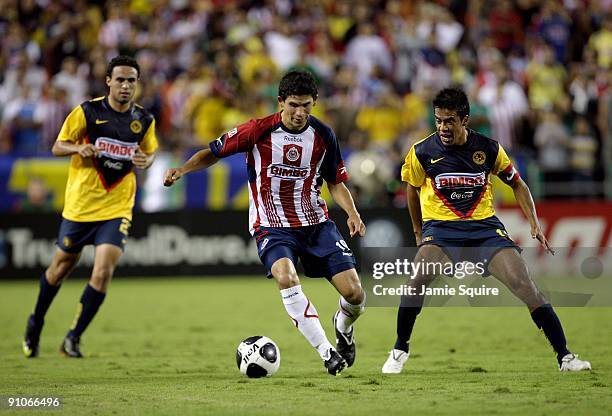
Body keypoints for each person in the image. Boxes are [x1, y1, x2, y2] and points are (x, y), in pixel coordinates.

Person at [164, 70, 366, 376]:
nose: (300, 113)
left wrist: (352, 212)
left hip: (315, 223)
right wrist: (182, 170)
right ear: (281, 101)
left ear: (315, 103)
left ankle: (344, 329)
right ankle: (327, 353)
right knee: (286, 277)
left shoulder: (324, 135)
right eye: (294, 105)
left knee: (354, 294)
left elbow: (335, 181)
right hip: (271, 223)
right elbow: (213, 152)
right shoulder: (257, 130)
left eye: (307, 105)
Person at [382, 88, 591, 374]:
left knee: (525, 286)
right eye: (438, 120)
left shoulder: (489, 149)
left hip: (484, 229)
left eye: (449, 121)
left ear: (465, 120)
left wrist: (533, 221)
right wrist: (419, 231)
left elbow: (517, 183)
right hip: (441, 230)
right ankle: (399, 348)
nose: (443, 128)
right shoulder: (422, 151)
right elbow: (411, 188)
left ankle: (565, 357)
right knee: (417, 279)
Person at [22, 55, 158, 358]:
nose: (125, 86)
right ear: (108, 81)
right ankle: (36, 321)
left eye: (131, 80)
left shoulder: (144, 120)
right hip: (81, 206)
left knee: (102, 272)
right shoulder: (87, 112)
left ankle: (73, 337)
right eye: (120, 79)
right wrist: (77, 147)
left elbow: (149, 153)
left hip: (117, 206)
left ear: (137, 84)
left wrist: (145, 160)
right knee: (60, 269)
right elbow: (58, 145)